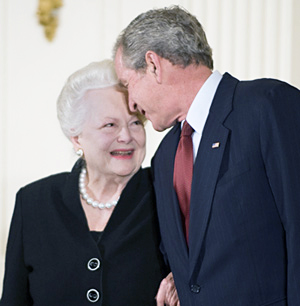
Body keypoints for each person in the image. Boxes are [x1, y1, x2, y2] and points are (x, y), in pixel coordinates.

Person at [113, 5, 300, 306]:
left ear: (153, 65)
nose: (132, 103)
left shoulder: (266, 106)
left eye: (127, 84)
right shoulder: (164, 158)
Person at [0, 59, 179, 306]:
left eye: (135, 122)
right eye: (110, 125)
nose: (126, 136)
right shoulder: (33, 202)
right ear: (76, 137)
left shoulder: (166, 194)